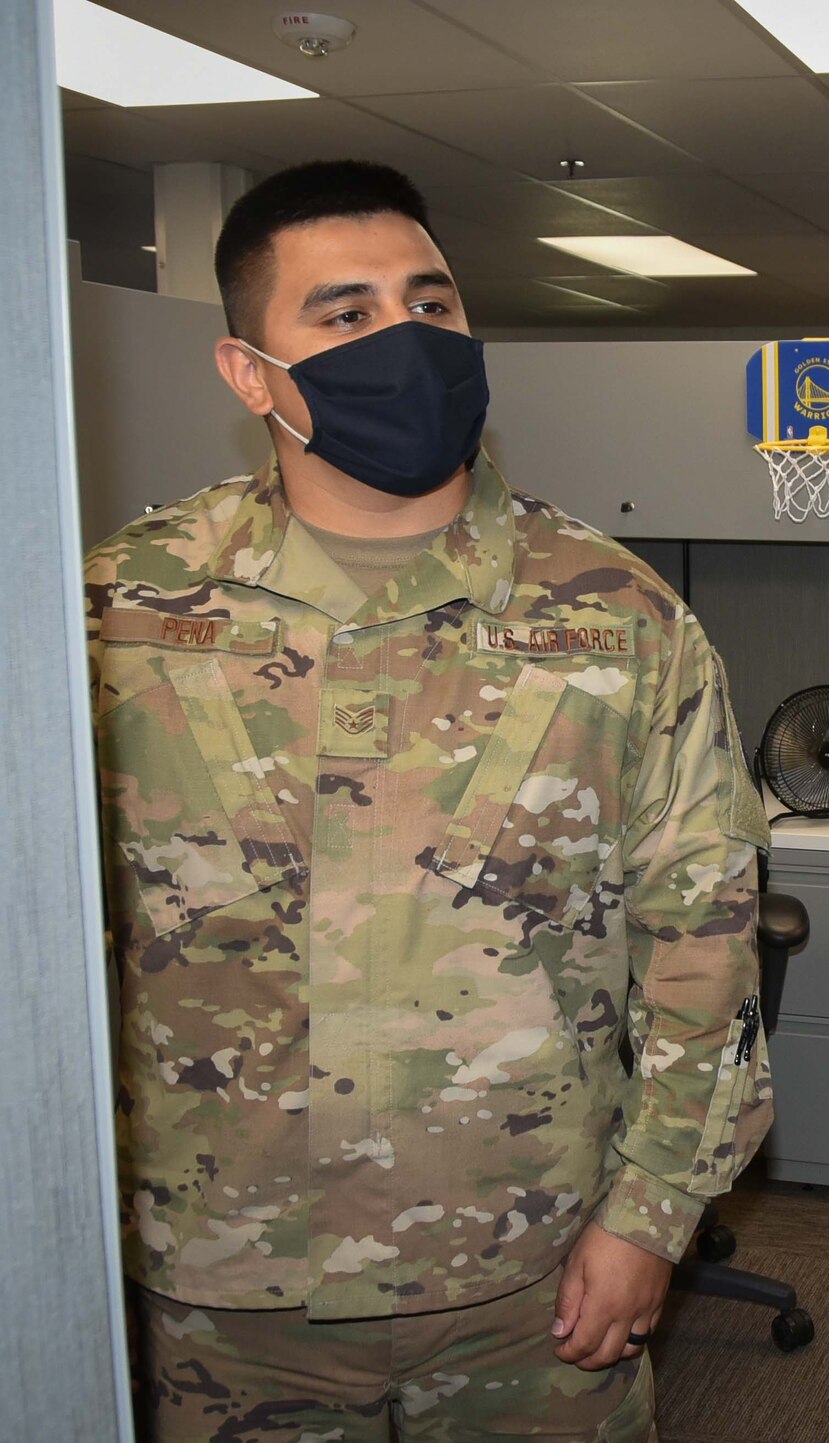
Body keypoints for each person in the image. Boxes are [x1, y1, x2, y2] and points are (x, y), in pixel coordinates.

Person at [86, 160, 774, 1441]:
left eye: (432, 304)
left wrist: (652, 1216)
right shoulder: (119, 612)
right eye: (343, 316)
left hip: (527, 1269)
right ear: (251, 375)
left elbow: (703, 939)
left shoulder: (616, 614)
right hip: (219, 1280)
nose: (403, 339)